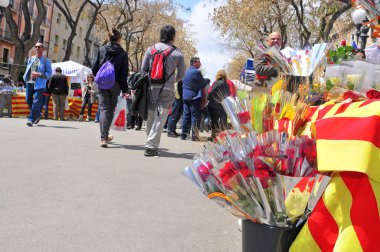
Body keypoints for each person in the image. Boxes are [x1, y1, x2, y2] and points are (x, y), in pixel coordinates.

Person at [141, 25, 186, 156]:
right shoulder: (178, 53)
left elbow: (143, 69)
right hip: (167, 89)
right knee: (160, 117)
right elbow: (182, 74)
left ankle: (150, 143)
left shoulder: (150, 49)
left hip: (150, 87)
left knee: (150, 115)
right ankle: (151, 146)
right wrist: (173, 80)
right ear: (173, 37)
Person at [92, 28, 129, 147]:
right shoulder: (123, 53)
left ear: (108, 37)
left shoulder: (101, 49)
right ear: (119, 39)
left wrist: (99, 77)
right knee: (110, 109)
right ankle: (105, 136)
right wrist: (125, 89)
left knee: (103, 109)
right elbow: (124, 73)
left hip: (102, 83)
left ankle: (104, 137)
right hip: (116, 84)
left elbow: (94, 67)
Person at [23, 42, 52, 126]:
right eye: (35, 46)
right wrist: (25, 77)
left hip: (39, 84)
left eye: (39, 47)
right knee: (28, 100)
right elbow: (28, 69)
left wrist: (38, 74)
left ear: (42, 49)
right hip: (29, 82)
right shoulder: (31, 59)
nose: (37, 48)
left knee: (36, 102)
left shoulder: (46, 61)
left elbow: (49, 74)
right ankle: (38, 113)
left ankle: (31, 119)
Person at [180, 57, 207, 141]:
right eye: (199, 62)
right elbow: (204, 84)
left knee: (186, 115)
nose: (200, 64)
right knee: (195, 116)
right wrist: (203, 98)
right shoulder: (197, 72)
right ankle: (194, 135)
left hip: (185, 96)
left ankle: (183, 134)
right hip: (194, 97)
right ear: (194, 63)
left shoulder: (185, 71)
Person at [207, 70, 237, 140]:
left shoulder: (215, 82)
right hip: (223, 105)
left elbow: (210, 91)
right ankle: (221, 136)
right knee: (223, 120)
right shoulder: (228, 83)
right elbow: (230, 94)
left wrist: (210, 98)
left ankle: (214, 136)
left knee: (214, 121)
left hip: (213, 104)